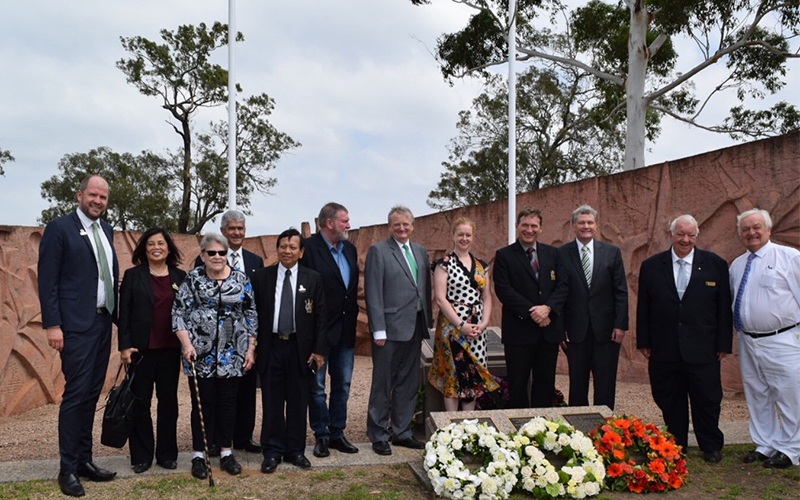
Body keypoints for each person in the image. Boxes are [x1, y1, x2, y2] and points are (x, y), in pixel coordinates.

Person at [38, 174, 119, 497]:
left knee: (90, 395)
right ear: (79, 195)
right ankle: (67, 468)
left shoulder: (106, 230)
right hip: (74, 327)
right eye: (93, 195)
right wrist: (52, 324)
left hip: (101, 324)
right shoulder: (60, 229)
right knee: (76, 395)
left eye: (103, 197)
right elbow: (48, 281)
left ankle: (85, 461)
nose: (98, 201)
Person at [636, 215, 732, 463]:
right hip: (664, 348)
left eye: (690, 234)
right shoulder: (651, 266)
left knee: (708, 400)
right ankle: (676, 444)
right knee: (669, 398)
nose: (685, 239)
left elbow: (723, 309)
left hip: (704, 349)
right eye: (680, 234)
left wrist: (723, 344)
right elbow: (643, 308)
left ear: (697, 235)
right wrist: (644, 341)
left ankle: (710, 445)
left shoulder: (716, 265)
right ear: (671, 234)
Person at [173, 232, 257, 479]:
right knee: (204, 405)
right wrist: (187, 345)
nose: (218, 257)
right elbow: (179, 314)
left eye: (222, 252)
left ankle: (226, 452)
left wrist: (251, 348)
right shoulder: (193, 279)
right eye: (212, 253)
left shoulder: (241, 279)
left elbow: (251, 315)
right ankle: (199, 454)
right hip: (199, 354)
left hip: (233, 354)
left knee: (228, 405)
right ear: (203, 255)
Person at [252, 228, 327, 473]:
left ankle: (295, 450)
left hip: (300, 349)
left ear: (301, 251)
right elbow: (253, 315)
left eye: (293, 247)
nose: (287, 250)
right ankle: (272, 451)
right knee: (272, 401)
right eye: (283, 246)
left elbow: (321, 318)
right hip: (271, 346)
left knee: (298, 401)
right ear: (277, 249)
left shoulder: (313, 278)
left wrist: (318, 351)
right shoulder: (262, 277)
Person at [730, 208, 800, 469]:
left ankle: (792, 449)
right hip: (748, 340)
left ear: (768, 229)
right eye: (746, 229)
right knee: (757, 394)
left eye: (757, 227)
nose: (752, 233)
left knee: (789, 394)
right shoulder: (737, 265)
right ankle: (765, 444)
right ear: (740, 234)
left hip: (782, 340)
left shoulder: (789, 258)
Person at [194, 210, 264, 454]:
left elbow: (254, 304)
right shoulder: (205, 259)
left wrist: (253, 342)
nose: (237, 233)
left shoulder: (255, 262)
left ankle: (243, 438)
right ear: (223, 231)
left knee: (245, 392)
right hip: (213, 344)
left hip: (243, 342)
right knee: (214, 395)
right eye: (232, 228)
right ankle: (214, 441)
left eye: (241, 228)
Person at [117, 228, 187, 474]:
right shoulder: (133, 276)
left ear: (168, 248)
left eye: (161, 243)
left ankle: (167, 455)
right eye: (150, 243)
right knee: (140, 404)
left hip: (170, 351)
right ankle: (142, 456)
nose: (156, 247)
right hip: (140, 351)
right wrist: (124, 346)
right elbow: (123, 314)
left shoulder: (181, 276)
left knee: (168, 404)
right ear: (144, 249)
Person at [365, 205, 432, 455]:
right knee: (383, 383)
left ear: (412, 225)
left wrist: (427, 324)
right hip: (389, 330)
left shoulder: (420, 251)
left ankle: (402, 432)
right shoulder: (379, 251)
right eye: (397, 225)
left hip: (415, 326)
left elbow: (424, 290)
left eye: (406, 224)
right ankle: (379, 434)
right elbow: (373, 292)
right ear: (389, 226)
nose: (402, 228)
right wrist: (378, 329)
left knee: (408, 382)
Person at [553, 204, 628, 410]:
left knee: (605, 383)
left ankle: (604, 431)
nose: (586, 226)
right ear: (574, 226)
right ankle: (579, 434)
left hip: (606, 331)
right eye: (581, 222)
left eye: (590, 222)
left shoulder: (612, 253)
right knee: (577, 385)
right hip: (575, 332)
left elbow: (620, 290)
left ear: (596, 225)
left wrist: (620, 325)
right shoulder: (561, 254)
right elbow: (558, 293)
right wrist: (560, 329)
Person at [301, 203, 360, 458]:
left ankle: (337, 433)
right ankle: (321, 435)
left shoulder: (350, 249)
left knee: (343, 385)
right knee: (316, 386)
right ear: (329, 223)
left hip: (345, 330)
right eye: (344, 220)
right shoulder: (309, 249)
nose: (348, 224)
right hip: (319, 332)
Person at [494, 207, 564, 408]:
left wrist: (548, 308)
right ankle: (518, 433)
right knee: (517, 385)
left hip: (548, 331)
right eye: (525, 225)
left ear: (541, 229)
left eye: (534, 226)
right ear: (517, 226)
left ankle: (543, 428)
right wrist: (534, 312)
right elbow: (504, 290)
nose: (529, 230)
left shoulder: (553, 254)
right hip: (519, 331)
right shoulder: (504, 255)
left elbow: (563, 286)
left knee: (545, 384)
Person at [428, 217, 498, 411]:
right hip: (453, 327)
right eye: (460, 234)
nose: (464, 238)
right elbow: (441, 299)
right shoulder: (444, 264)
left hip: (477, 329)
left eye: (468, 235)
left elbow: (488, 297)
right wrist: (461, 325)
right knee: (453, 374)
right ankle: (452, 427)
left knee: (473, 375)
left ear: (473, 237)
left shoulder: (482, 265)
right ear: (453, 236)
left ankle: (469, 427)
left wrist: (483, 324)